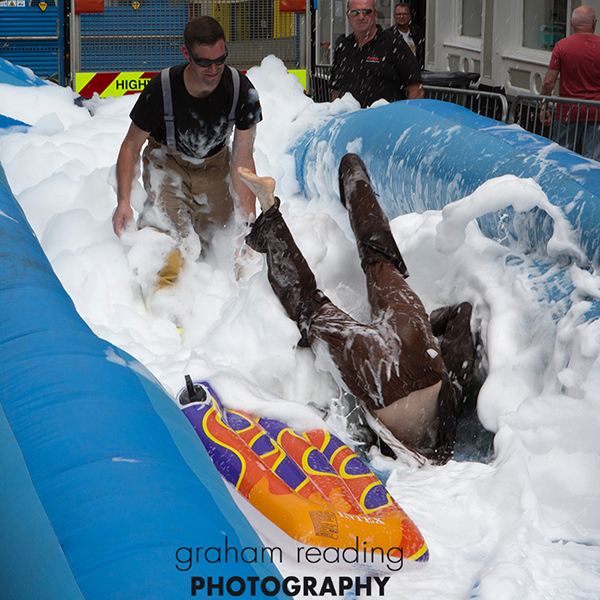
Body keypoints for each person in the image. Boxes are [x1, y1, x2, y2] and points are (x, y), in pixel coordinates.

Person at [237, 154, 476, 464]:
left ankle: (353, 170)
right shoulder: (437, 448)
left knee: (379, 259)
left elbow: (462, 314)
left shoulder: (450, 402)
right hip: (381, 378)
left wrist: (424, 332)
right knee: (310, 306)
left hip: (415, 343)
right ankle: (269, 214)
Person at [113, 16, 262, 290]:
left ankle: (235, 298)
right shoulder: (162, 89)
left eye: (221, 59)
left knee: (224, 240)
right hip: (167, 165)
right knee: (175, 240)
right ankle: (166, 306)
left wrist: (246, 218)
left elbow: (243, 157)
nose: (214, 69)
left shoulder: (242, 90)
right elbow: (131, 145)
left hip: (216, 166)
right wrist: (124, 201)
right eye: (204, 62)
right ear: (186, 54)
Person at [330, 0, 423, 108]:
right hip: (350, 122)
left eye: (367, 11)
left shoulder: (394, 44)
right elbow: (335, 92)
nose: (361, 17)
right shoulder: (343, 47)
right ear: (348, 17)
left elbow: (416, 89)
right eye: (355, 12)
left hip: (386, 121)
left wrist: (406, 117)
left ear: (375, 15)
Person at [540, 5, 600, 160]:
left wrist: (543, 106)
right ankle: (590, 184)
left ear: (572, 23)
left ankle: (559, 183)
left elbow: (548, 82)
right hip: (596, 112)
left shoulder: (562, 46)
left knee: (560, 158)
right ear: (594, 23)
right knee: (593, 161)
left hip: (567, 111)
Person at [386, 3, 425, 69]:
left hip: (415, 72)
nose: (401, 17)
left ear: (409, 16)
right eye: (399, 14)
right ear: (394, 17)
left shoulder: (417, 33)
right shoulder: (388, 34)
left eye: (404, 14)